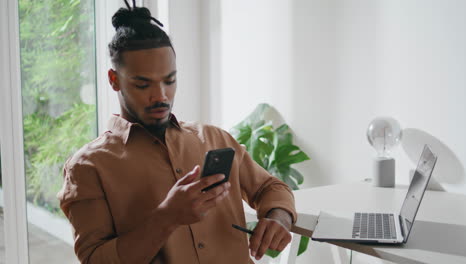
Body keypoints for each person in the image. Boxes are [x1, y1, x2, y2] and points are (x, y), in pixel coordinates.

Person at [57, 2, 297, 263]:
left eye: (169, 81)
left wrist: (278, 218)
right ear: (114, 80)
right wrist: (167, 217)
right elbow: (95, 259)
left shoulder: (213, 138)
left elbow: (270, 187)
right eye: (143, 84)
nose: (161, 95)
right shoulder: (88, 167)